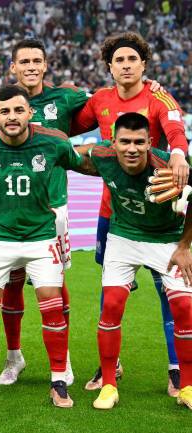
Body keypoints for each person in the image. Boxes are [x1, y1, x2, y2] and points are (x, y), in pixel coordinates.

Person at [0, 85, 94, 408]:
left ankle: (59, 380)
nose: (12, 117)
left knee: (51, 304)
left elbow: (83, 163)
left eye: (19, 110)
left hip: (40, 237)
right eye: (5, 111)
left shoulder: (54, 140)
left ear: (30, 113)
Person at [72, 32, 190, 396]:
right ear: (110, 67)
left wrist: (179, 153)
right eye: (119, 60)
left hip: (156, 213)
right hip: (114, 210)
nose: (125, 65)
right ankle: (112, 365)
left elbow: (174, 128)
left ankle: (175, 368)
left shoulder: (157, 97)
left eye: (132, 60)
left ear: (143, 64)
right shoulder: (100, 100)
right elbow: (69, 125)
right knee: (112, 293)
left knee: (167, 290)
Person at [0, 39, 89, 386]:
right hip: (9, 211)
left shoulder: (67, 97)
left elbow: (105, 107)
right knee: (10, 284)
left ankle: (63, 358)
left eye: (36, 61)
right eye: (23, 61)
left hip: (53, 208)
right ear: (13, 67)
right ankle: (14, 357)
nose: (30, 66)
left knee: (56, 286)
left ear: (45, 65)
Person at [82, 113, 192, 410]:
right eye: (125, 142)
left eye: (139, 142)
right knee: (112, 303)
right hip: (123, 237)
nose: (132, 148)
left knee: (184, 307)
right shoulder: (101, 155)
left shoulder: (171, 165)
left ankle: (188, 386)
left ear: (150, 142)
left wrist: (184, 246)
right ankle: (108, 385)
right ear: (113, 142)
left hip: (166, 239)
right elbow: (69, 154)